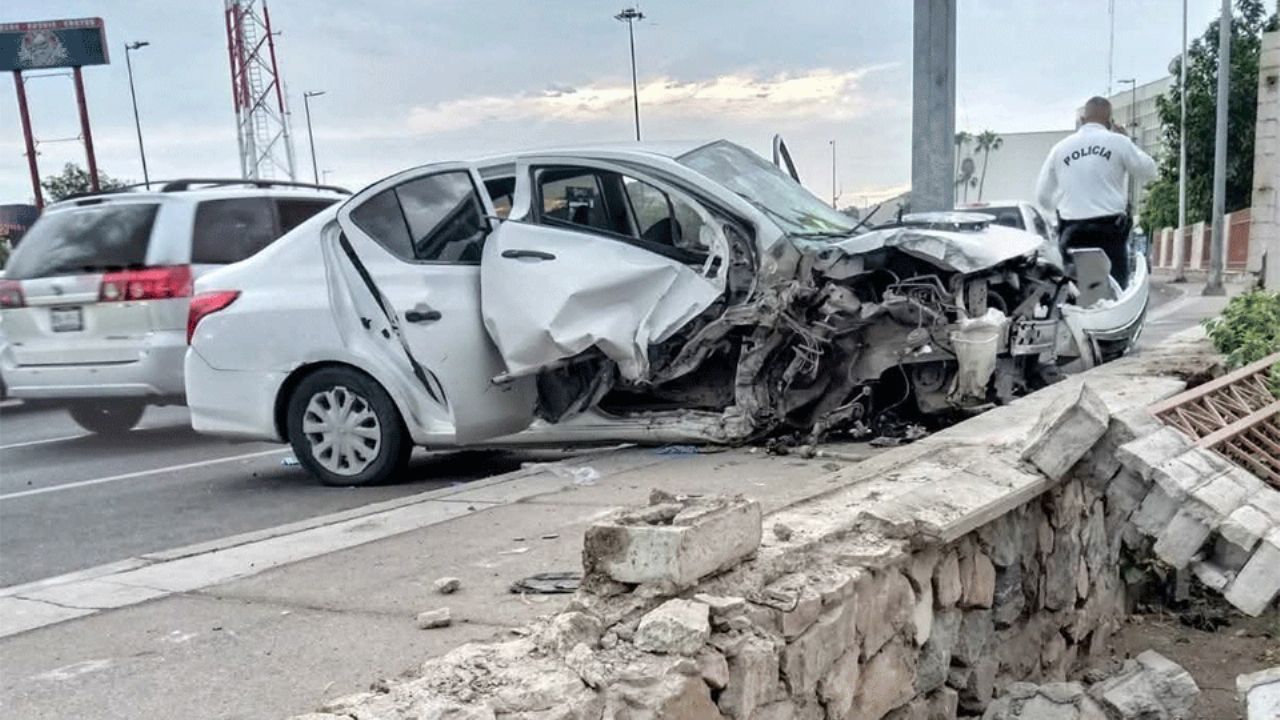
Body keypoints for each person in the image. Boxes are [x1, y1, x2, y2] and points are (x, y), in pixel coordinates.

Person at [1035, 96, 1157, 286]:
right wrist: (1127, 141)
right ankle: (1116, 301)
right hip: (1109, 230)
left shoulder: (1060, 148)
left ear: (1083, 119)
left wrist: (1059, 213)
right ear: (1110, 122)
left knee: (1073, 287)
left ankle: (1072, 306)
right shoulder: (1118, 142)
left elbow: (1042, 196)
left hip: (1072, 230)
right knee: (1115, 287)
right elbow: (1150, 171)